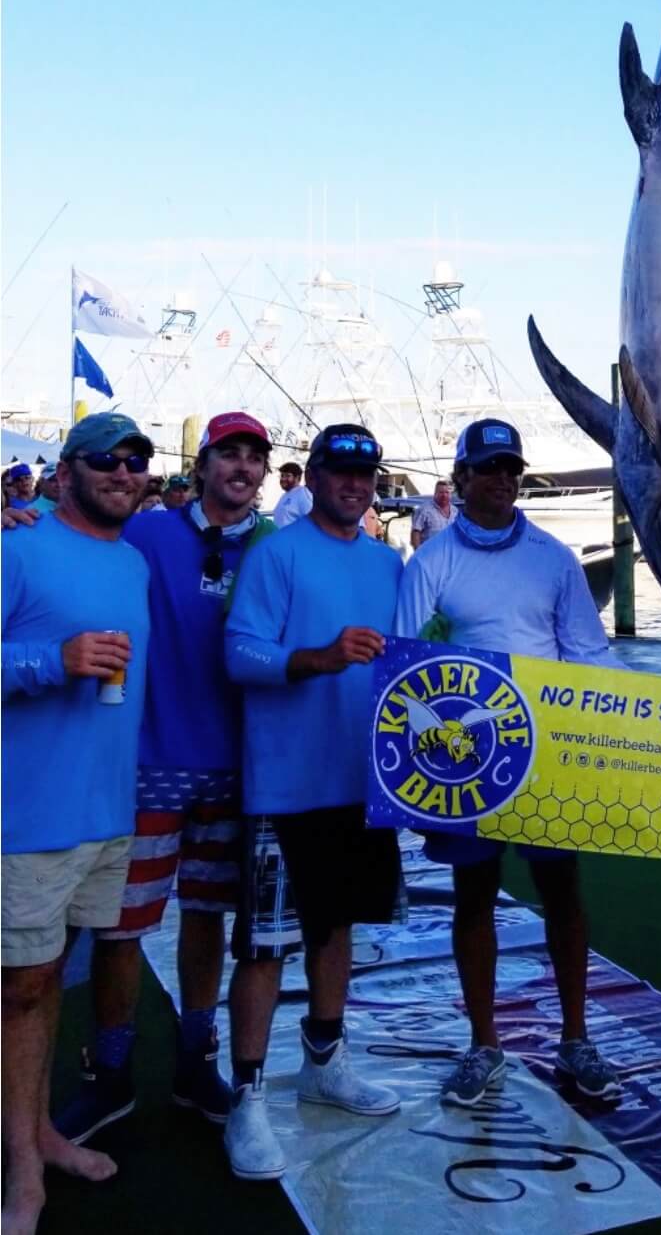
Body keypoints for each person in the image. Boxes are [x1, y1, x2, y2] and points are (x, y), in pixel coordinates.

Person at [55, 412, 276, 1147]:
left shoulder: (275, 551)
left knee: (208, 919)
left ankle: (193, 1057)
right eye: (228, 454)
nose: (241, 468)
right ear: (203, 463)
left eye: (254, 457)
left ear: (265, 474)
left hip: (237, 767)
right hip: (147, 762)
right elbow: (76, 544)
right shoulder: (148, 533)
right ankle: (110, 1072)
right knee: (123, 926)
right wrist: (20, 517)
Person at [394, 418, 622, 1103]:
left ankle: (576, 1039)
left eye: (509, 469)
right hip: (466, 759)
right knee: (474, 896)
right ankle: (483, 1043)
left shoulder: (554, 558)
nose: (500, 480)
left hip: (548, 753)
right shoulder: (430, 563)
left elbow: (588, 652)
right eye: (487, 468)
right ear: (459, 479)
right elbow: (404, 661)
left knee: (563, 894)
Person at [222, 424, 404, 1180]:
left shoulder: (392, 562)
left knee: (338, 931)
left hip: (363, 782)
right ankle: (247, 1098)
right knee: (266, 947)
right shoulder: (276, 552)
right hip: (285, 787)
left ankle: (325, 1059)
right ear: (316, 476)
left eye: (366, 474)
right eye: (340, 471)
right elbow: (240, 652)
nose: (354, 484)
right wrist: (319, 658)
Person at [2, 412, 154, 1234]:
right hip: (26, 818)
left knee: (49, 979)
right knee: (21, 991)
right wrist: (49, 661)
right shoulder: (15, 546)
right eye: (107, 459)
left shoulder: (133, 561)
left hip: (105, 813)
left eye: (137, 461)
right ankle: (23, 1175)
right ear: (66, 471)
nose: (124, 471)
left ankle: (40, 1131)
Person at [410, 478, 457, 550]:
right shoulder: (424, 510)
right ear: (435, 493)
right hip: (430, 555)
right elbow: (416, 532)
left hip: (450, 555)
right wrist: (418, 552)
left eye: (447, 492)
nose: (444, 495)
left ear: (450, 494)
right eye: (441, 492)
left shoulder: (455, 511)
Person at [270, 459, 312, 529]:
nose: (283, 479)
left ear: (297, 478)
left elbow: (312, 522)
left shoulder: (303, 493)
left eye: (287, 476)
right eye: (282, 475)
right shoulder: (284, 495)